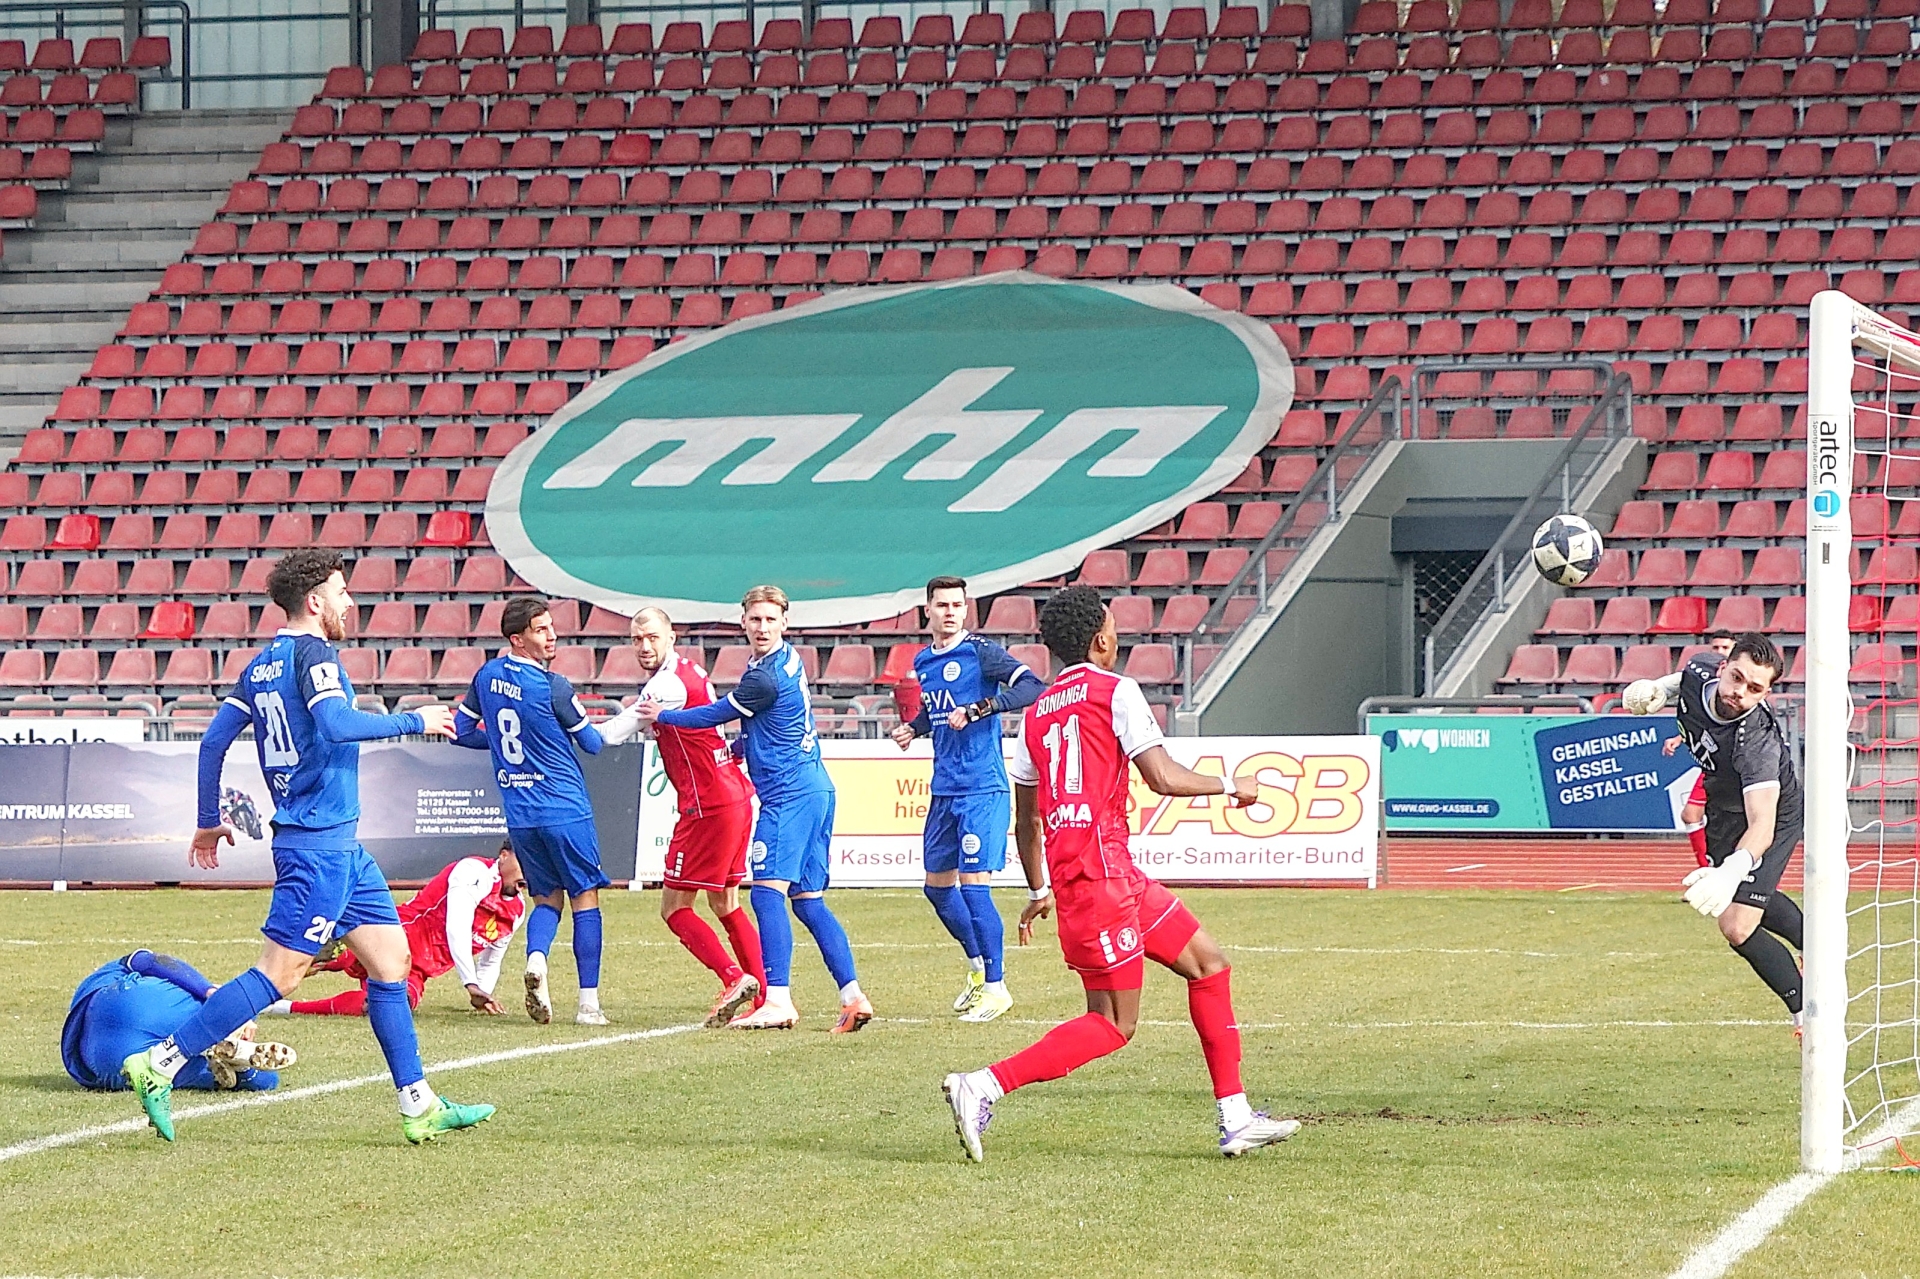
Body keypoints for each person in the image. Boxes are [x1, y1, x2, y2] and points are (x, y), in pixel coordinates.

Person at [121, 547, 492, 1144]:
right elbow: (339, 724)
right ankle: (160, 1062)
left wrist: (206, 819)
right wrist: (416, 720)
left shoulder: (261, 664)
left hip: (343, 848)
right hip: (316, 848)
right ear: (316, 600)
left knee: (391, 963)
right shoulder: (314, 653)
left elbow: (213, 742)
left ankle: (419, 1104)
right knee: (282, 974)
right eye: (343, 593)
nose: (351, 603)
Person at [941, 586, 1301, 1161]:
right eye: (1113, 627)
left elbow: (1026, 823)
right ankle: (983, 1084)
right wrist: (1234, 785)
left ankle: (1235, 1116)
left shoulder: (1034, 716)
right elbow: (1160, 776)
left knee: (1209, 965)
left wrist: (1040, 889)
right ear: (1101, 640)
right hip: (1101, 881)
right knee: (1112, 1023)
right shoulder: (1117, 691)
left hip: (1105, 877)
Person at [635, 585, 872, 1033]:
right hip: (816, 788)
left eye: (769, 619)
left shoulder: (762, 676)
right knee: (809, 902)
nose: (762, 627)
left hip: (789, 795)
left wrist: (662, 718)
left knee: (765, 893)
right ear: (743, 621)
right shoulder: (781, 661)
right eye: (755, 619)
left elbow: (715, 712)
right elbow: (768, 722)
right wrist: (743, 748)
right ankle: (852, 995)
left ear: (784, 621)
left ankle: (778, 1000)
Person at [1625, 632, 1806, 1034]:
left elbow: (1762, 826)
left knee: (1737, 925)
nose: (1740, 692)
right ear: (1723, 668)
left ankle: (1807, 1010)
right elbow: (1683, 680)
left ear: (1766, 695)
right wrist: (1656, 689)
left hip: (1770, 815)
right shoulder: (1700, 668)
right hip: (1723, 805)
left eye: (1755, 688)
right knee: (1751, 895)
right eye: (1737, 678)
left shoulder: (1755, 742)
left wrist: (1732, 869)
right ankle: (1815, 943)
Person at [889, 576, 1045, 1022]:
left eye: (957, 604)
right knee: (937, 890)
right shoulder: (924, 660)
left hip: (982, 788)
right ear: (928, 611)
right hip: (943, 788)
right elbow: (935, 712)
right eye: (942, 605)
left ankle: (998, 988)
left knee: (976, 888)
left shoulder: (981, 652)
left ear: (965, 609)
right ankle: (977, 972)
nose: (950, 612)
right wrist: (914, 729)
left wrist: (980, 709)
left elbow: (1032, 686)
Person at [601, 608, 765, 1028]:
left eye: (652, 637)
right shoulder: (689, 670)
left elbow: (609, 736)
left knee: (674, 908)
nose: (644, 646)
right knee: (726, 901)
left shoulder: (665, 685)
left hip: (707, 805)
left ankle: (733, 978)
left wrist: (562, 725)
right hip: (734, 794)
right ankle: (764, 994)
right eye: (637, 639)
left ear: (671, 636)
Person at [454, 596, 611, 1027]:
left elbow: (462, 731)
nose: (552, 635)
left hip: (521, 815)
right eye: (541, 630)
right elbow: (593, 744)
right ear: (517, 639)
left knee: (545, 897)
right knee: (585, 898)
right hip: (564, 807)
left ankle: (537, 960)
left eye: (550, 627)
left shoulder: (485, 676)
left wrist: (511, 752)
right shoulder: (553, 685)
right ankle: (588, 1006)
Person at [270, 845, 526, 1017]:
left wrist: (483, 993)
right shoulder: (474, 871)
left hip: (415, 970)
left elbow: (492, 959)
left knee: (392, 1008)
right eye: (525, 863)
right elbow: (456, 927)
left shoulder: (516, 910)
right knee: (319, 957)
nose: (529, 874)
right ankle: (267, 985)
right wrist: (470, 984)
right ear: (504, 855)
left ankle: (284, 1008)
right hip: (395, 936)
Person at [65, 951, 294, 1093]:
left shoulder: (111, 972)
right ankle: (242, 1063)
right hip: (124, 1062)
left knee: (214, 1020)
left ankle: (232, 1039)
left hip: (101, 1057)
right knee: (265, 1080)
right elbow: (270, 1081)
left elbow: (147, 960)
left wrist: (207, 990)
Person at [1661, 629, 1738, 865]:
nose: (1719, 652)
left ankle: (1758, 882)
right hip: (1715, 766)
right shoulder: (1706, 684)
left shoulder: (1740, 688)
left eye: (1725, 648)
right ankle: (1706, 872)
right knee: (1691, 814)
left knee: (1744, 826)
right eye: (1715, 648)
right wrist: (1679, 738)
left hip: (1739, 764)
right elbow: (1702, 722)